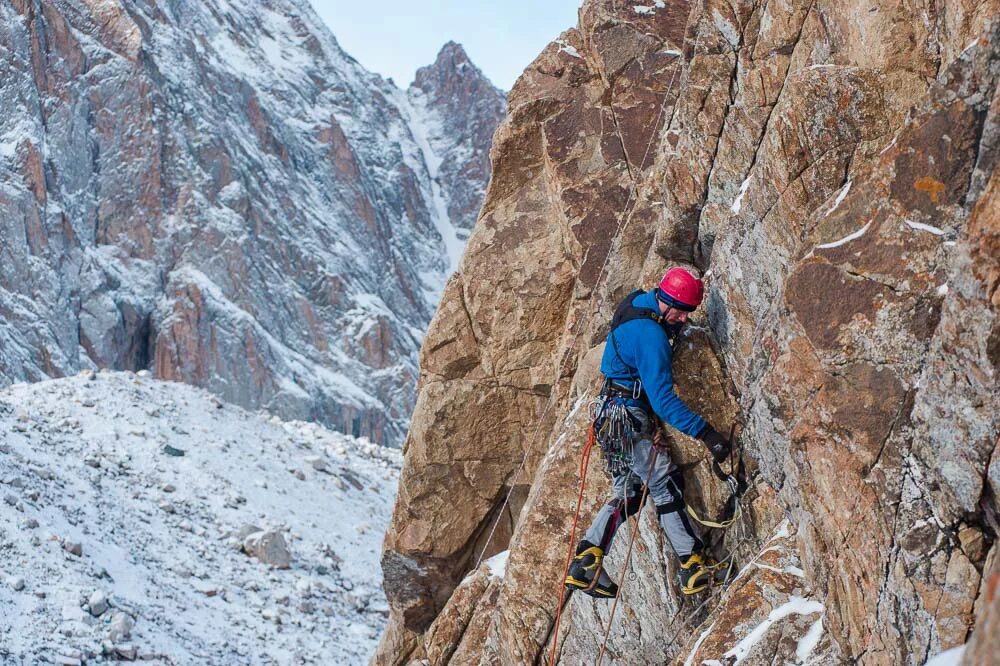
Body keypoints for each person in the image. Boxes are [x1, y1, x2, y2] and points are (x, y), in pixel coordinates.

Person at [564, 267, 732, 598]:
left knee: (629, 489)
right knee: (664, 485)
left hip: (609, 415)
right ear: (666, 302)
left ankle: (586, 560)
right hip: (628, 416)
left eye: (688, 313)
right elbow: (664, 400)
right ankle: (692, 564)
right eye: (681, 312)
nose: (684, 319)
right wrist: (707, 434)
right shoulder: (652, 337)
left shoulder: (636, 303)